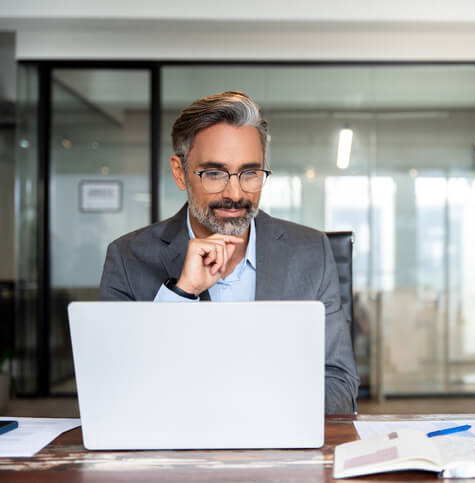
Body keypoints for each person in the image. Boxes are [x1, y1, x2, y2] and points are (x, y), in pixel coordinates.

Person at [98, 91, 359, 414]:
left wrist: (253, 418)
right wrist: (183, 292)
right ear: (180, 172)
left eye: (250, 173)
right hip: (176, 455)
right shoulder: (127, 258)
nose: (235, 194)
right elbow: (112, 390)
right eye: (215, 174)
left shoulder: (311, 253)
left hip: (280, 452)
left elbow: (338, 383)